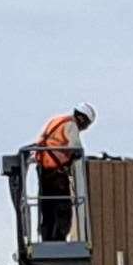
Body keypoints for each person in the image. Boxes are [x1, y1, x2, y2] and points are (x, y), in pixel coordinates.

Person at [35, 103, 95, 242]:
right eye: (85, 125)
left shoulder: (56, 121)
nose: (83, 128)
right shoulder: (71, 125)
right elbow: (76, 148)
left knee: (47, 207)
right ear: (82, 118)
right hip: (57, 172)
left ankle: (47, 239)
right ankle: (58, 239)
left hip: (44, 170)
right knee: (63, 207)